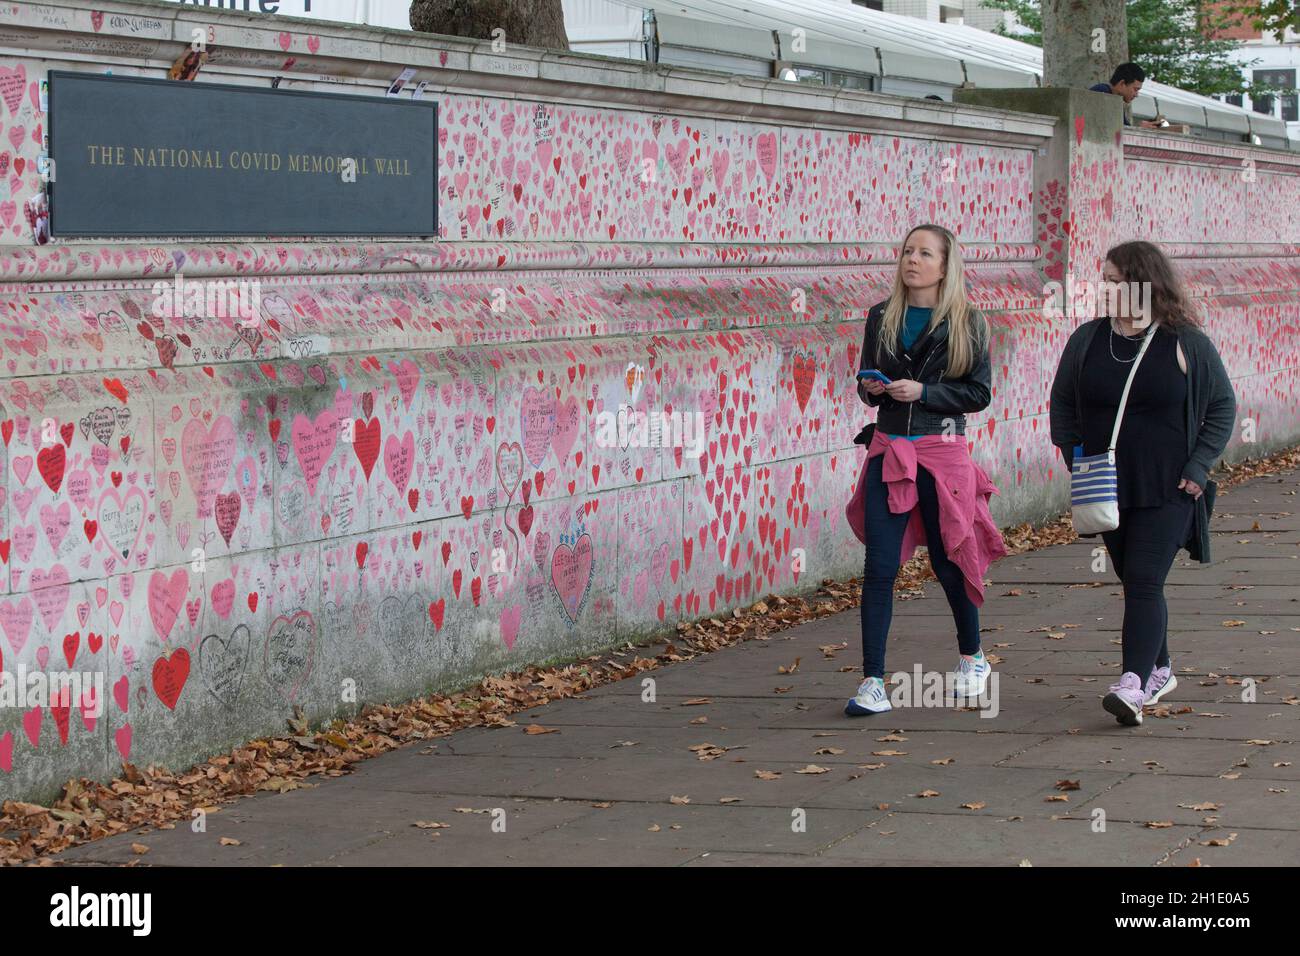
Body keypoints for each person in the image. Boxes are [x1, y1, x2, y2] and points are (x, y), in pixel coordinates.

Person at [1049, 242, 1236, 726]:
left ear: (1143, 284)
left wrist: (1198, 469)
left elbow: (1221, 407)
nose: (1104, 288)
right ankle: (1161, 668)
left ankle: (1132, 684)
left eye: (1114, 280)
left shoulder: (1183, 340)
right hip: (1108, 487)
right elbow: (1063, 404)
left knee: (1145, 581)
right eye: (1103, 279)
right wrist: (1075, 457)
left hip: (1170, 486)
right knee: (1135, 580)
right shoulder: (1088, 339)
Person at [844, 224, 1007, 716]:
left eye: (924, 253)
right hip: (890, 448)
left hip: (943, 450)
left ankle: (973, 657)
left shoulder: (968, 322)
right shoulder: (881, 316)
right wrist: (871, 390)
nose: (912, 260)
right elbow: (864, 379)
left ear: (944, 264)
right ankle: (873, 682)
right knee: (880, 565)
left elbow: (979, 394)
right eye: (907, 251)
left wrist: (926, 393)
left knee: (948, 557)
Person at [1088, 63, 1163, 128]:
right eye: (1135, 89)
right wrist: (1140, 128)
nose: (1136, 95)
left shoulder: (1114, 99)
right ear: (1122, 83)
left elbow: (1123, 127)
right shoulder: (1102, 92)